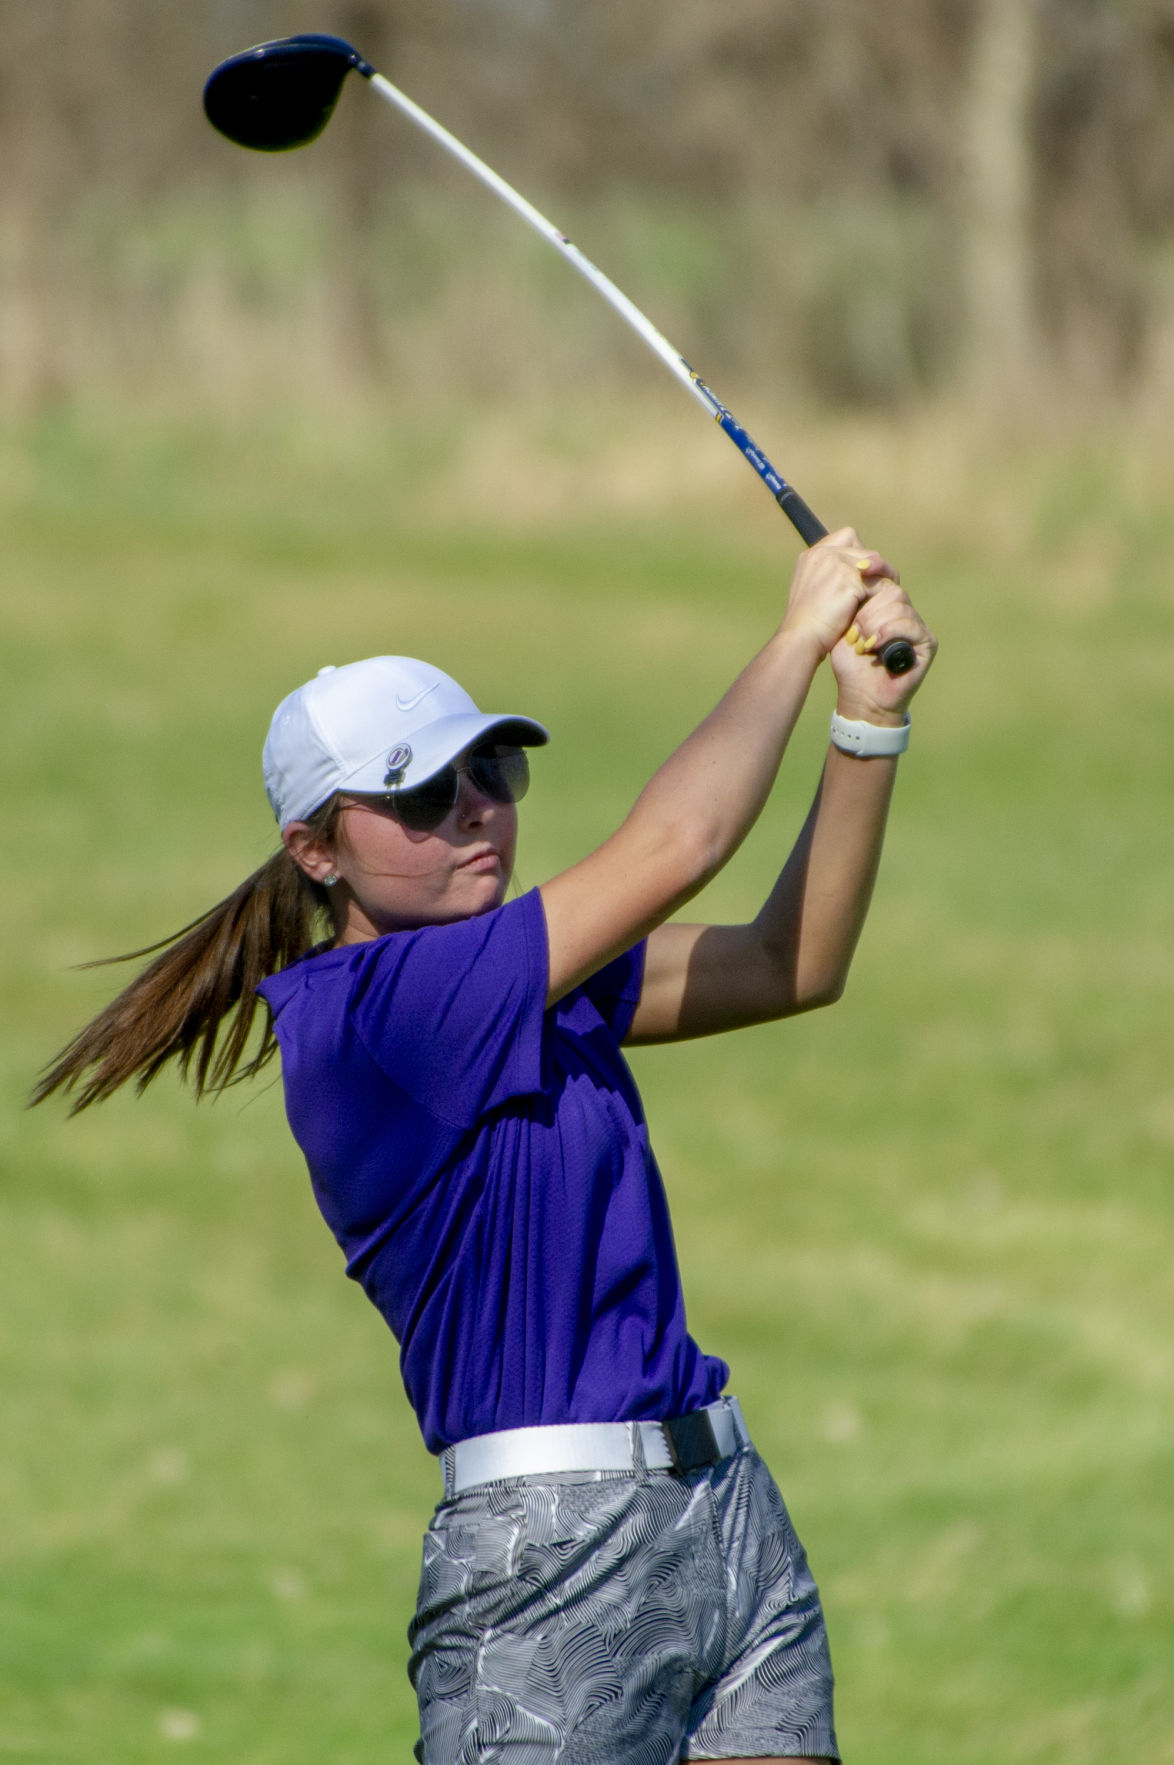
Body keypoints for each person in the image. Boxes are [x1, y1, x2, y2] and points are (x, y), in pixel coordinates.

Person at [35, 528, 935, 1764]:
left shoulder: (529, 977)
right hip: (548, 1563)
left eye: (492, 772)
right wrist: (791, 637)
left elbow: (793, 963)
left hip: (726, 1514)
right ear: (315, 849)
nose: (475, 814)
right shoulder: (382, 1016)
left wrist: (865, 723)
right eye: (417, 797)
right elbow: (680, 847)